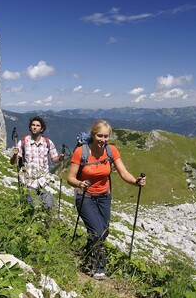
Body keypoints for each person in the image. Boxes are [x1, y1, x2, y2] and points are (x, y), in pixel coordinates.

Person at [67, 119, 146, 280]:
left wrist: (136, 182)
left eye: (106, 136)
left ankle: (86, 255)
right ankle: (99, 267)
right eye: (100, 136)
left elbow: (123, 173)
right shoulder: (81, 152)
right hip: (85, 196)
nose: (103, 140)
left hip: (104, 197)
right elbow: (70, 178)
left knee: (103, 232)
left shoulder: (111, 151)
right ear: (93, 135)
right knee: (97, 231)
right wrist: (80, 183)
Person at [11, 116, 65, 209]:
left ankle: (43, 222)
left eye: (37, 125)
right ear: (30, 127)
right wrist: (15, 155)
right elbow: (14, 162)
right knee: (34, 207)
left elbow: (53, 159)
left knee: (49, 205)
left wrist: (60, 158)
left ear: (42, 129)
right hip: (28, 181)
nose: (34, 127)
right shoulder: (23, 142)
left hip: (44, 181)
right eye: (33, 125)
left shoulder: (48, 142)